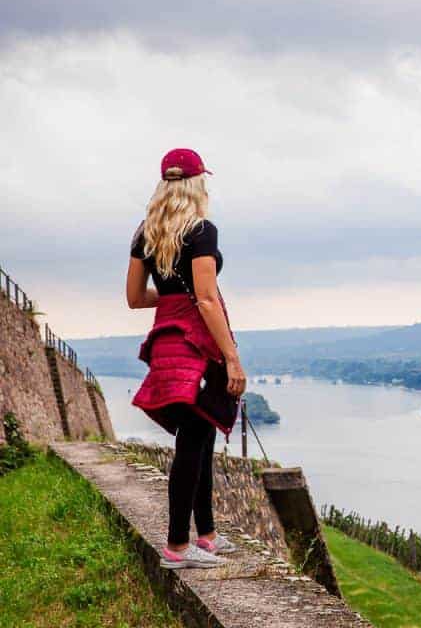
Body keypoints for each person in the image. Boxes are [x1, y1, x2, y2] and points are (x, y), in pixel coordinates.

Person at [126, 148, 247, 569]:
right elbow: (208, 299)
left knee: (201, 433)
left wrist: (173, 296)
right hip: (197, 342)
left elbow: (135, 298)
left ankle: (207, 535)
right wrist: (232, 358)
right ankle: (177, 547)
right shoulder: (201, 230)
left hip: (166, 339)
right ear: (197, 184)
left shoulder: (145, 233)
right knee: (193, 442)